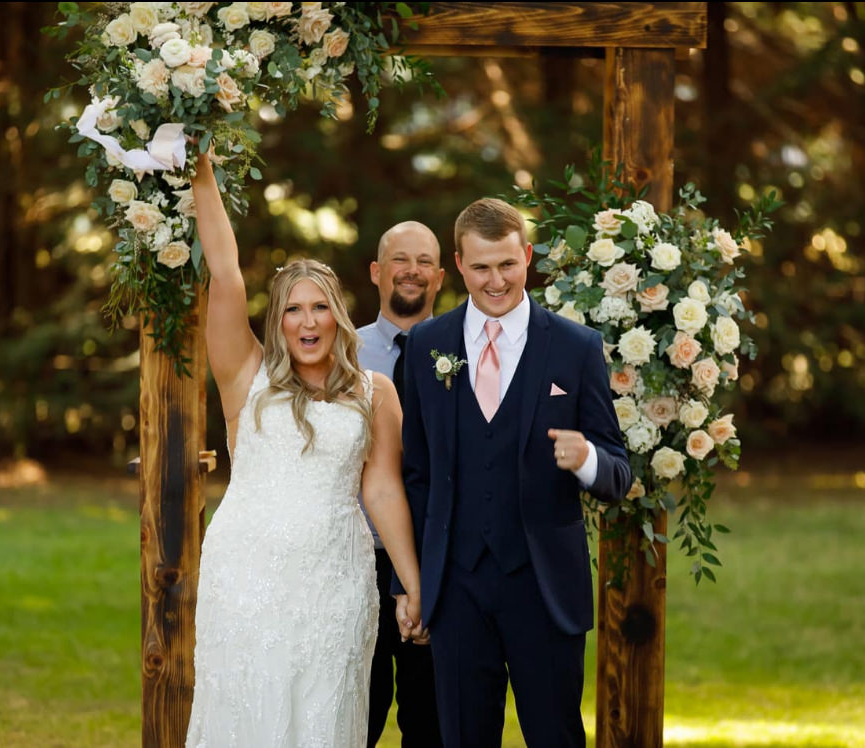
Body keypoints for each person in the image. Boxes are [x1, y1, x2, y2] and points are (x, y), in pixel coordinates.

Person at [184, 152, 424, 748]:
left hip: (337, 579)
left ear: (338, 316)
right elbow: (226, 275)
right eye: (293, 309)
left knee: (326, 715)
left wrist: (411, 582)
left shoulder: (375, 392)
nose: (307, 321)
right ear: (278, 320)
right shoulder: (245, 376)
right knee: (249, 711)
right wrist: (201, 171)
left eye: (320, 307)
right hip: (246, 573)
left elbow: (383, 489)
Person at [395, 198, 632, 747]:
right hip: (456, 588)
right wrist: (409, 585)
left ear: (527, 255)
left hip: (543, 588)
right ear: (459, 264)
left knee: (555, 736)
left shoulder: (575, 347)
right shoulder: (428, 346)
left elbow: (618, 472)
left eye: (507, 264)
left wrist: (587, 459)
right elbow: (416, 477)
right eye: (481, 267)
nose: (496, 280)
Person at [356, 221, 445, 747]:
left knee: (431, 721)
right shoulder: (337, 351)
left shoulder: (464, 348)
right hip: (357, 561)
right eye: (399, 259)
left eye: (424, 261)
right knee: (355, 717)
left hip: (438, 557)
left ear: (440, 276)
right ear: (376, 271)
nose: (412, 271)